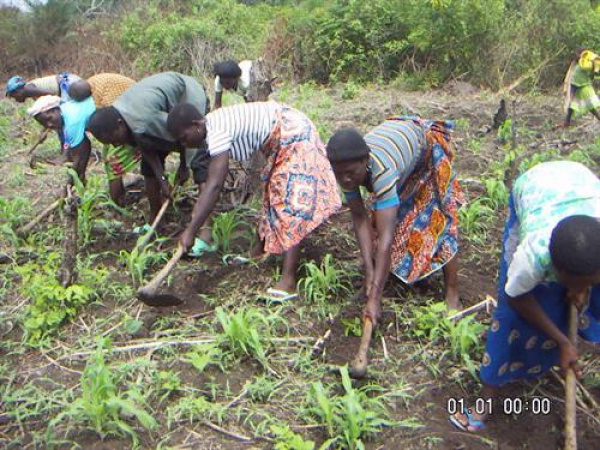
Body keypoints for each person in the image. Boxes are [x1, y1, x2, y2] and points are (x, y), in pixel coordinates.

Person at [449, 161, 600, 432]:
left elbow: (585, 274)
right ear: (556, 271)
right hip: (535, 188)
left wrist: (583, 289)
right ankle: (486, 401)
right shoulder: (532, 256)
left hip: (580, 186)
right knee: (509, 320)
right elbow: (517, 298)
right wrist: (563, 341)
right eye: (574, 282)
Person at [166, 101, 341, 301]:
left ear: (197, 125)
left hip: (293, 133)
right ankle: (258, 251)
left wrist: (190, 231)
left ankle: (288, 282)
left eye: (184, 138)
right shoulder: (213, 126)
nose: (184, 144)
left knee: (290, 203)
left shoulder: (217, 131)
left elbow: (214, 185)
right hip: (283, 134)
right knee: (271, 189)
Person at [326, 117, 465, 324]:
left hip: (426, 150)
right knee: (387, 219)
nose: (346, 180)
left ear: (366, 162)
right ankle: (381, 277)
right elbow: (358, 216)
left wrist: (374, 298)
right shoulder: (346, 170)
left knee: (439, 221)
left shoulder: (381, 172)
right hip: (401, 151)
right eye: (340, 175)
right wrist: (369, 271)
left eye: (351, 174)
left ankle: (452, 293)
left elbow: (385, 239)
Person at [87, 72, 212, 235]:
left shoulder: (143, 120)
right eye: (110, 144)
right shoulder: (125, 118)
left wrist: (184, 166)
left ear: (119, 125)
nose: (116, 145)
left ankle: (206, 231)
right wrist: (162, 180)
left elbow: (182, 139)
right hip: (164, 110)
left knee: (198, 162)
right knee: (147, 169)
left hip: (189, 97)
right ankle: (156, 220)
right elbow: (146, 147)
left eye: (114, 139)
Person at [27, 95, 93, 183]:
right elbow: (86, 146)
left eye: (49, 119)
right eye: (44, 123)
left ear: (55, 110)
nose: (49, 125)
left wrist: (67, 187)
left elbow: (79, 158)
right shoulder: (67, 111)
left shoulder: (72, 122)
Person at [563, 49, 600, 127]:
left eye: (578, 54)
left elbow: (592, 74)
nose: (577, 55)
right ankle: (567, 122)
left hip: (583, 85)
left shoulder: (587, 63)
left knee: (590, 103)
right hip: (574, 84)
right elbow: (570, 74)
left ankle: (598, 118)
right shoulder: (578, 63)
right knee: (571, 103)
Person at [5, 72, 81, 103]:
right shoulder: (32, 93)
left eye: (14, 96)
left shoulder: (29, 89)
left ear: (18, 91)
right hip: (67, 81)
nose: (16, 100)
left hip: (67, 84)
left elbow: (52, 97)